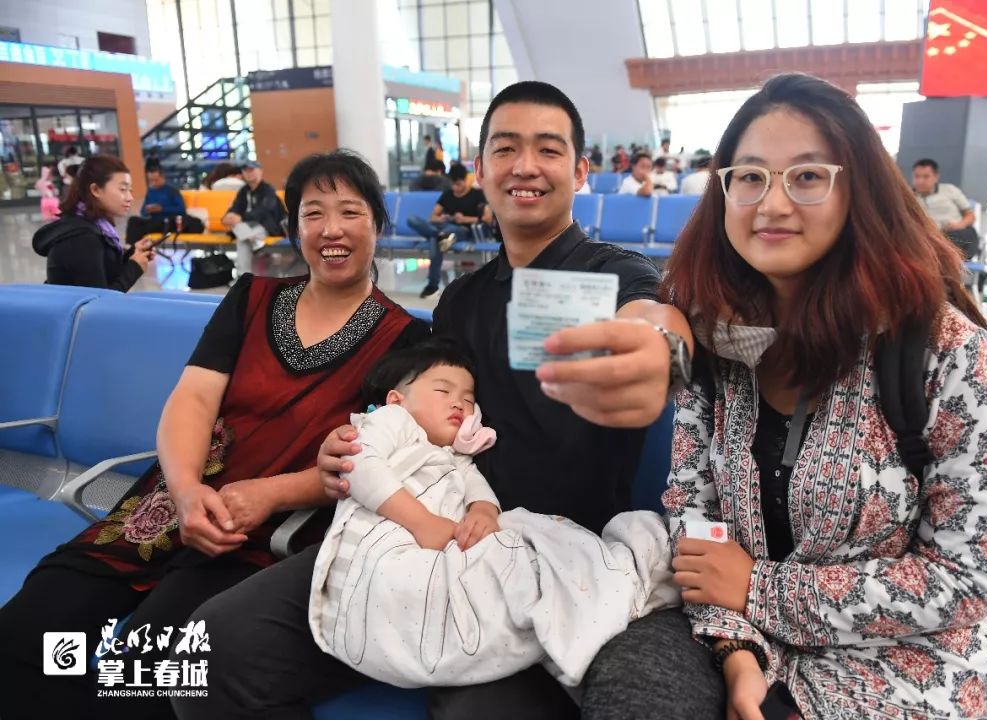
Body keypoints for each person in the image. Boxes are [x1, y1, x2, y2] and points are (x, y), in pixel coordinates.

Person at [175, 79, 693, 720]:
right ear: (481, 169)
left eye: (548, 150)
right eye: (505, 148)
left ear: (582, 170)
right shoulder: (462, 300)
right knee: (211, 651)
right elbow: (423, 408)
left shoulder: (612, 273)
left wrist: (658, 350)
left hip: (544, 557)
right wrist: (358, 439)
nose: (525, 166)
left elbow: (656, 317)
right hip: (428, 532)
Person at [583, 73, 987, 720]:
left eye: (808, 177)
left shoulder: (941, 348)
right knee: (630, 687)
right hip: (737, 623)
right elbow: (696, 517)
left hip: (904, 661)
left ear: (857, 191)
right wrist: (739, 652)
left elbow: (964, 579)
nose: (772, 204)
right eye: (749, 177)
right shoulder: (718, 339)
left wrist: (759, 588)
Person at [0, 150, 429, 720]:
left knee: (146, 676)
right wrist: (182, 492)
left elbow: (374, 458)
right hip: (169, 503)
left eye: (350, 212)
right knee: (31, 629)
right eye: (313, 213)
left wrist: (269, 494)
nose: (331, 230)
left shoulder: (404, 341)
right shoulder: (251, 299)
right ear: (294, 227)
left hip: (265, 535)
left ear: (377, 223)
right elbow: (194, 399)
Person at [309, 339, 676, 689]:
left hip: (440, 551)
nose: (458, 404)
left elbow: (478, 493)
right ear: (396, 399)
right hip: (389, 554)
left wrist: (483, 511)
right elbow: (357, 462)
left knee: (521, 539)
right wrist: (423, 522)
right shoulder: (394, 423)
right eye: (442, 391)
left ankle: (595, 587)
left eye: (468, 400)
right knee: (514, 561)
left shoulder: (456, 459)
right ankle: (615, 583)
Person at [31, 155, 155, 292]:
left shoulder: (92, 225)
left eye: (129, 190)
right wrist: (134, 269)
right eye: (123, 189)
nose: (130, 198)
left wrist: (131, 254)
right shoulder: (82, 238)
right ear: (95, 190)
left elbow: (102, 269)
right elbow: (97, 304)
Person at [406, 163, 491, 299]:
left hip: (461, 230)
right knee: (412, 220)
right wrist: (442, 218)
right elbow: (433, 217)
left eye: (458, 184)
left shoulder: (477, 195)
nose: (455, 188)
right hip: (443, 227)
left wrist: (464, 219)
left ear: (466, 180)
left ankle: (432, 286)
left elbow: (487, 219)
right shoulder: (447, 194)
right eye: (453, 184)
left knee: (441, 237)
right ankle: (439, 234)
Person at [221, 160, 287, 276]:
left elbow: (263, 211)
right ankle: (255, 242)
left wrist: (240, 217)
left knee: (241, 238)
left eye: (251, 170)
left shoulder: (268, 190)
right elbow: (236, 207)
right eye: (245, 170)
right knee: (243, 238)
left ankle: (243, 278)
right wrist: (227, 217)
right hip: (248, 228)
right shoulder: (244, 191)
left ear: (260, 171)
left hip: (267, 227)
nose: (248, 173)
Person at [911, 158, 981, 259]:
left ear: (936, 177)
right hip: (927, 238)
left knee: (953, 239)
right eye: (917, 176)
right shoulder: (909, 197)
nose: (920, 181)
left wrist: (959, 225)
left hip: (955, 233)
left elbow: (970, 215)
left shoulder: (949, 190)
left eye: (926, 177)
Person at [125, 165, 187, 244]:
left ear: (162, 177)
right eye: (151, 181)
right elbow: (142, 212)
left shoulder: (172, 191)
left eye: (156, 180)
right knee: (133, 220)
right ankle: (131, 248)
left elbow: (181, 210)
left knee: (142, 229)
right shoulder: (150, 192)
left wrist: (161, 209)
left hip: (167, 222)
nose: (153, 183)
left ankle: (135, 248)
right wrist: (148, 210)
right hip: (153, 221)